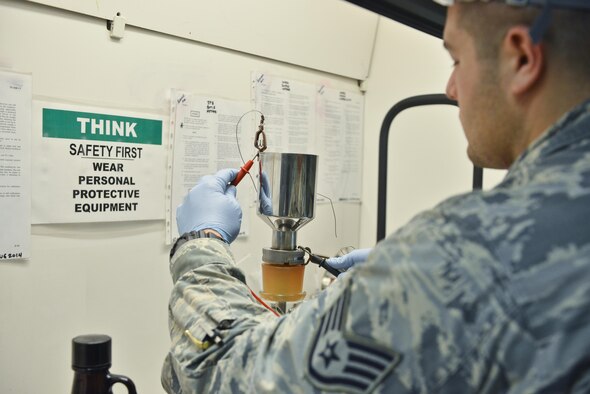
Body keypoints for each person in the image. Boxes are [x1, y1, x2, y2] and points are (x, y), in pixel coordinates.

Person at [162, 1, 590, 392]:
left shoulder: (470, 254)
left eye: (457, 59)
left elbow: (233, 373)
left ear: (521, 57)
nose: (451, 87)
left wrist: (201, 245)